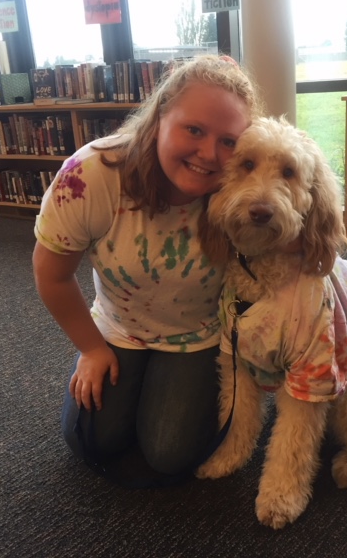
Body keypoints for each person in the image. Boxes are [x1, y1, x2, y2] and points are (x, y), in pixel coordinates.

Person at [32, 55, 262, 486]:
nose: (209, 155)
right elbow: (51, 274)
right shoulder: (91, 175)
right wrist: (92, 349)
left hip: (198, 334)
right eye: (193, 129)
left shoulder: (241, 188)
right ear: (159, 119)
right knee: (90, 442)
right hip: (119, 327)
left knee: (169, 453)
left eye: (229, 141)